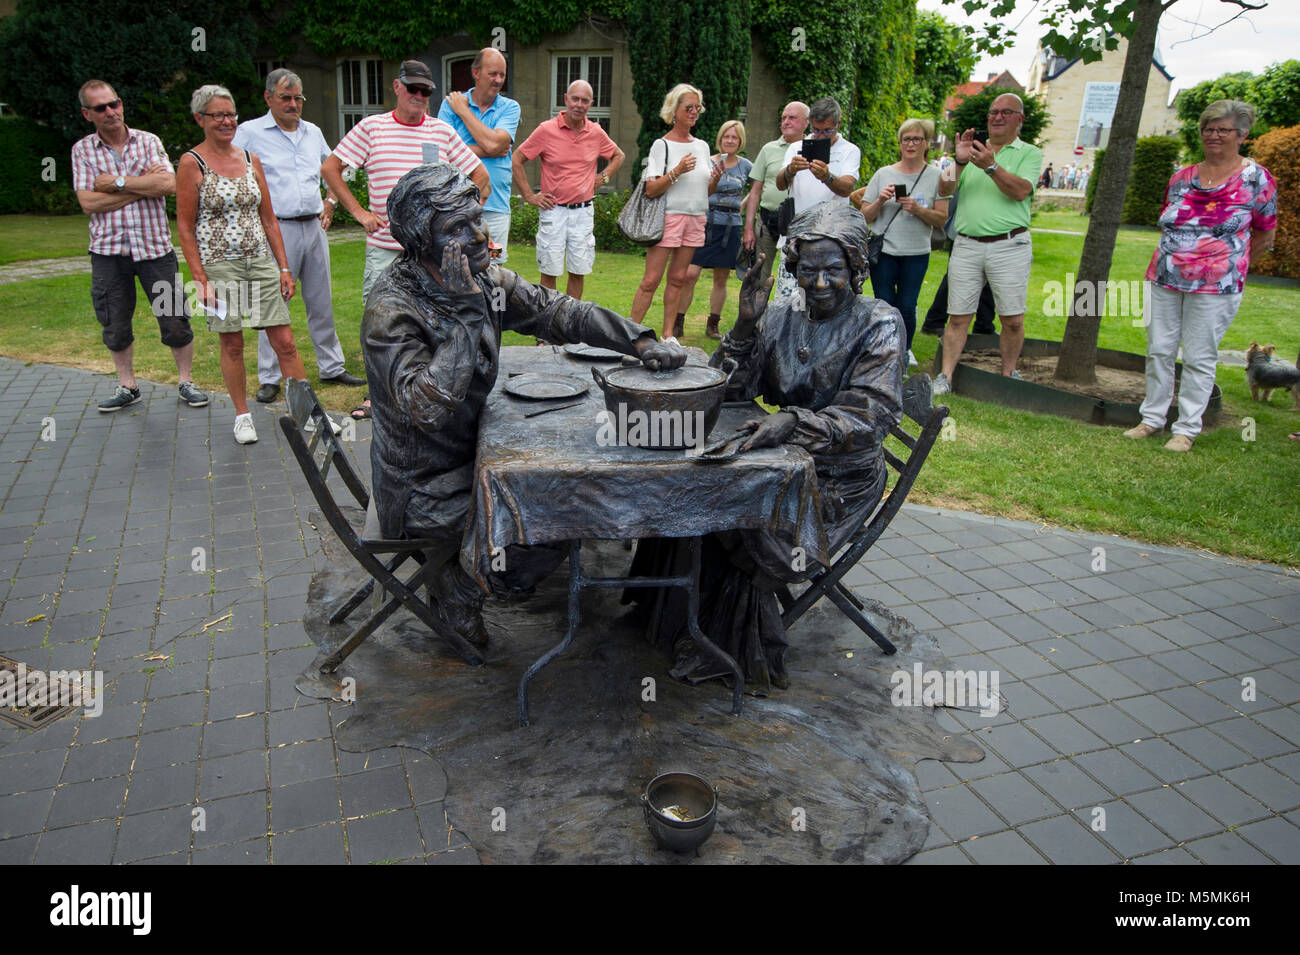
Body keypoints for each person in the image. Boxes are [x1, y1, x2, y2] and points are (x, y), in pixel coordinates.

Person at [362, 162, 685, 647]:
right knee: (562, 505)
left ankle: (482, 570)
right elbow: (426, 408)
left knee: (562, 483)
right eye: (456, 228)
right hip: (423, 488)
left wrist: (637, 341)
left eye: (477, 217)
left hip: (470, 455)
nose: (477, 235)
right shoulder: (392, 311)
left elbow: (557, 311)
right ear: (421, 240)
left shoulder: (483, 278)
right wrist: (469, 320)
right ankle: (465, 586)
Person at [638, 202, 903, 690]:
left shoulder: (878, 323)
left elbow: (870, 417)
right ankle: (670, 615)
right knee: (691, 481)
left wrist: (793, 422)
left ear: (856, 268)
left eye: (833, 270)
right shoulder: (783, 318)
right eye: (807, 270)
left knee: (729, 505)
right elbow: (734, 389)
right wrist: (744, 326)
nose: (819, 283)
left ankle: (727, 646)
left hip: (836, 477)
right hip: (778, 456)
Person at [1125, 99, 1277, 452]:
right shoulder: (1182, 177)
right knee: (1158, 350)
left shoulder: (1256, 179)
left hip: (1217, 285)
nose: (1213, 135)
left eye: (1222, 129)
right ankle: (1152, 419)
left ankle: (1187, 428)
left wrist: (1230, 264)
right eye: (1208, 129)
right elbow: (1168, 219)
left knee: (1198, 356)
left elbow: (1265, 232)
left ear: (1242, 134)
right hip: (1165, 276)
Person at [176, 85, 307, 445]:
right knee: (232, 344)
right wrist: (199, 278)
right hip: (220, 265)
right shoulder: (192, 162)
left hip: (260, 261)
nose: (226, 121)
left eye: (230, 114)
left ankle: (307, 414)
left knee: (285, 341)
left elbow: (269, 220)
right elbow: (185, 226)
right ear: (200, 119)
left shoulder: (251, 159)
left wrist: (283, 267)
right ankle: (242, 415)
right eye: (217, 115)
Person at [71, 80, 209, 413]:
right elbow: (89, 202)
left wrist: (116, 184)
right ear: (87, 113)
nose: (111, 112)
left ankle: (186, 381)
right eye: (101, 108)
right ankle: (127, 385)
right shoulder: (82, 150)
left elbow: (167, 183)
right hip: (108, 252)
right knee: (114, 322)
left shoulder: (148, 141)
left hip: (154, 250)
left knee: (174, 318)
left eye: (114, 104)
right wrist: (142, 187)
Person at [233, 68, 364, 405]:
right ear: (268, 98)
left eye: (298, 98)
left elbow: (334, 170)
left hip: (313, 227)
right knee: (274, 303)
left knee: (321, 301)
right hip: (277, 228)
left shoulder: (313, 132)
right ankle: (270, 376)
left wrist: (331, 201)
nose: (293, 104)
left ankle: (331, 366)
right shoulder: (249, 133)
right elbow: (228, 169)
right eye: (285, 98)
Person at [321, 60, 489, 302]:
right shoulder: (372, 128)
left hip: (432, 253)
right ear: (397, 86)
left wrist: (460, 217)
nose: (419, 96)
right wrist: (358, 212)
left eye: (426, 91)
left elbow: (480, 174)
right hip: (385, 247)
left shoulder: (442, 131)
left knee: (438, 318)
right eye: (413, 89)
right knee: (380, 316)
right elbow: (330, 168)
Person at [932, 92, 1042, 393]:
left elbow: (1020, 191)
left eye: (1006, 112)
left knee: (1013, 319)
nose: (997, 117)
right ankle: (945, 378)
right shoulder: (972, 155)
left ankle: (1008, 376)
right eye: (993, 112)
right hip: (967, 244)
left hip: (1009, 245)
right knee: (957, 316)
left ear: (1019, 119)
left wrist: (991, 166)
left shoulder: (1028, 154)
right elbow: (944, 189)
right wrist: (959, 160)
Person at [512, 79, 624, 300]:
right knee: (549, 272)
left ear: (591, 104)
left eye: (584, 100)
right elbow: (516, 159)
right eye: (575, 99)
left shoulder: (596, 132)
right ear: (565, 99)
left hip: (583, 212)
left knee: (578, 271)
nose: (579, 104)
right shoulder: (546, 130)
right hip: (554, 211)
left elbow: (619, 155)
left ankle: (571, 325)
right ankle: (548, 328)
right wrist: (529, 196)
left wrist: (604, 175)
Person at [854, 118, 947, 366]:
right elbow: (863, 216)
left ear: (927, 143)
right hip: (884, 250)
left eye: (917, 139)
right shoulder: (884, 173)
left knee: (907, 304)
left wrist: (918, 209)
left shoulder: (936, 175)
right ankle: (883, 352)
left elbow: (941, 218)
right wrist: (881, 200)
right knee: (884, 302)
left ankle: (903, 353)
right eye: (906, 139)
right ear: (900, 143)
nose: (911, 144)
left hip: (916, 251)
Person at [630, 84, 712, 344]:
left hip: (696, 216)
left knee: (679, 278)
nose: (694, 112)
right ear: (674, 110)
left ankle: (668, 335)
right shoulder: (661, 145)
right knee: (651, 280)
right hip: (667, 218)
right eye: (689, 107)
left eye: (697, 107)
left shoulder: (703, 146)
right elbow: (651, 189)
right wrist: (676, 171)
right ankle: (630, 334)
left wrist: (717, 180)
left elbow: (705, 189)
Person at [771, 96, 860, 303]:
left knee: (824, 295)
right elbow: (780, 184)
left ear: (838, 124)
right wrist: (790, 170)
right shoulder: (796, 147)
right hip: (797, 233)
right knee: (790, 298)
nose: (819, 136)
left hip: (831, 235)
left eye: (826, 131)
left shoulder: (849, 150)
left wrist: (827, 177)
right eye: (816, 130)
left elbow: (847, 188)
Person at [437, 48, 520, 264]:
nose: (498, 80)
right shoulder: (449, 104)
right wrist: (489, 149)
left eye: (502, 75)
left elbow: (494, 143)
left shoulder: (510, 108)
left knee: (494, 270)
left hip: (495, 207)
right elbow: (442, 152)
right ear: (476, 72)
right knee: (456, 267)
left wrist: (464, 112)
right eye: (493, 74)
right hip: (455, 207)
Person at [676, 120, 752, 340]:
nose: (730, 141)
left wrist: (742, 205)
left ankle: (713, 324)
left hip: (731, 227)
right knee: (690, 274)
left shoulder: (746, 165)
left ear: (740, 141)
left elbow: (759, 189)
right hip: (706, 222)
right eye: (727, 136)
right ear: (720, 139)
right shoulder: (706, 162)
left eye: (735, 137)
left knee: (721, 277)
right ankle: (678, 321)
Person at [743, 101, 809, 287]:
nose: (786, 122)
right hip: (768, 220)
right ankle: (755, 316)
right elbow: (755, 192)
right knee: (759, 274)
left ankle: (794, 314)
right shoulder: (768, 149)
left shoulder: (813, 150)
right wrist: (749, 227)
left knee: (797, 276)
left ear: (806, 122)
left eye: (792, 118)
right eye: (783, 118)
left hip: (799, 222)